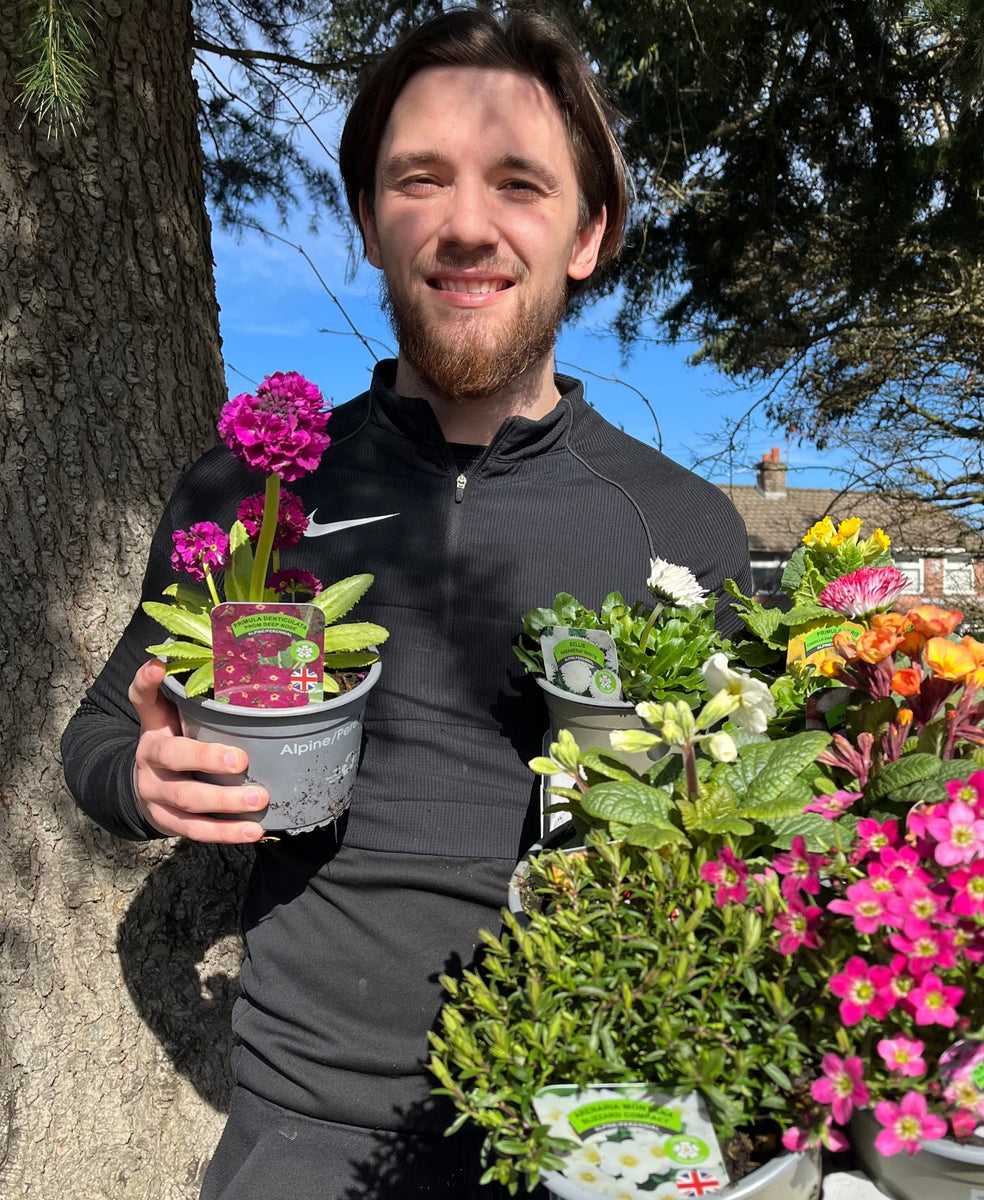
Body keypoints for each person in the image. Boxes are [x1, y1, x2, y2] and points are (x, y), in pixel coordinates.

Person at [61, 8, 752, 1198]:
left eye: (519, 185)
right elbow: (100, 734)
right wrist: (142, 779)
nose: (467, 225)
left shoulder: (679, 530)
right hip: (304, 1122)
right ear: (373, 226)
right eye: (419, 181)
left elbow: (746, 830)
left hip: (602, 1112)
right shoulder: (254, 488)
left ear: (588, 233)